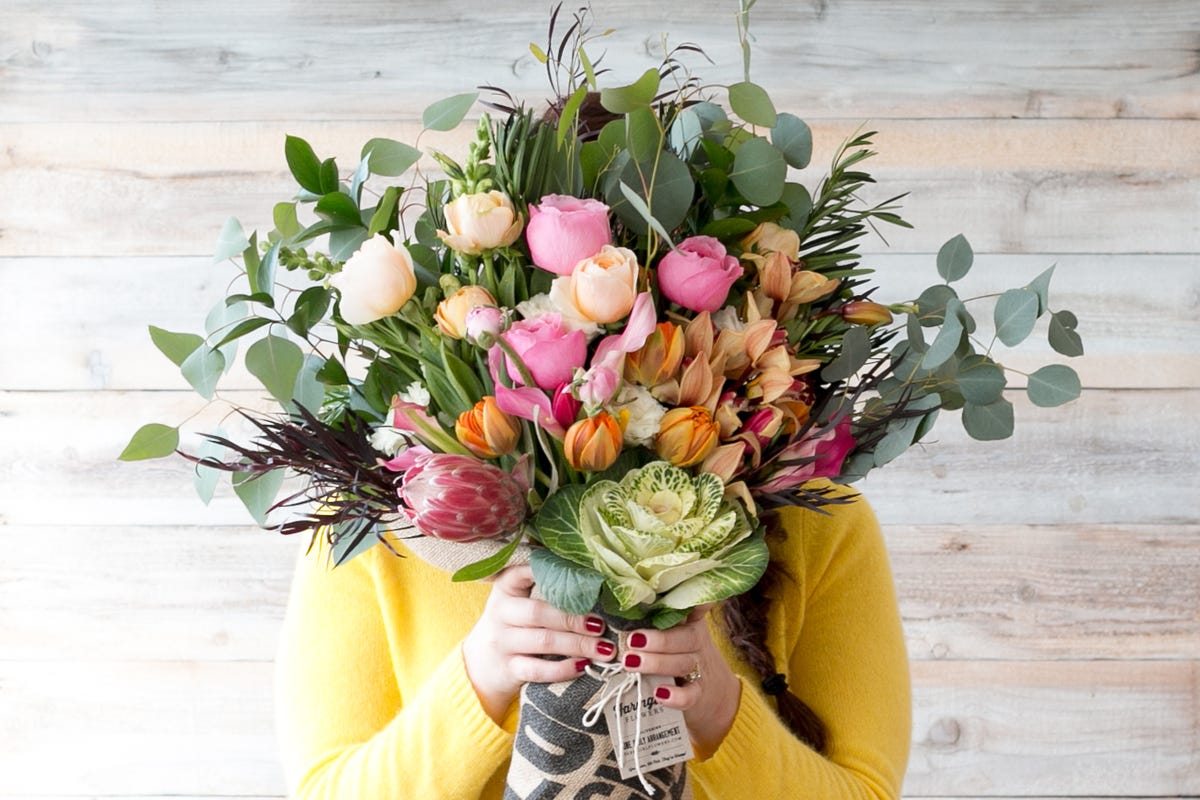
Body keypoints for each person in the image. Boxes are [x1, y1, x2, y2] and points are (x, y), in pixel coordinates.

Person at [275, 481, 911, 798]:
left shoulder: (820, 518)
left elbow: (867, 792)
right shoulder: (367, 529)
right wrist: (479, 679)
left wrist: (719, 706)